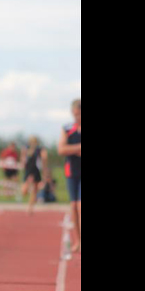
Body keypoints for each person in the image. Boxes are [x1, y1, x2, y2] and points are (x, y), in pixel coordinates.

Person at [58, 99, 81, 252]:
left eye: (79, 114)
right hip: (72, 171)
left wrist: (71, 149)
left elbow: (66, 148)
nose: (77, 117)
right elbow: (61, 149)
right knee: (73, 206)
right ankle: (78, 240)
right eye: (75, 114)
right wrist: (78, 148)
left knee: (80, 206)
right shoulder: (67, 129)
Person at [21, 136, 50, 214]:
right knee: (24, 191)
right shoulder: (26, 148)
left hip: (35, 171)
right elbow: (23, 160)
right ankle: (31, 203)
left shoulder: (40, 149)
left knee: (34, 191)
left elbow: (44, 160)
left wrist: (44, 172)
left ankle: (30, 208)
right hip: (28, 171)